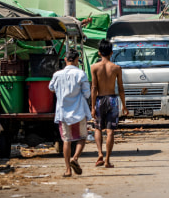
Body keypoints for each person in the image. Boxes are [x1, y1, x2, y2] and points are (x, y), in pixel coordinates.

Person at [49, 48, 91, 177]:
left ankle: (67, 169)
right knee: (82, 138)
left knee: (66, 140)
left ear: (66, 60)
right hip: (79, 111)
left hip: (63, 112)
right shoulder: (81, 74)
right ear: (77, 60)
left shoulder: (57, 74)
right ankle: (75, 158)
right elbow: (87, 93)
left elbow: (51, 88)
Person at [90, 39, 129, 168]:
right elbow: (121, 88)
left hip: (100, 99)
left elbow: (94, 88)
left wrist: (92, 107)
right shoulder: (116, 68)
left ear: (99, 53)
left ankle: (100, 153)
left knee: (98, 128)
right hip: (112, 100)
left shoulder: (94, 67)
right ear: (111, 53)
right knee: (110, 131)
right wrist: (124, 105)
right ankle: (107, 160)